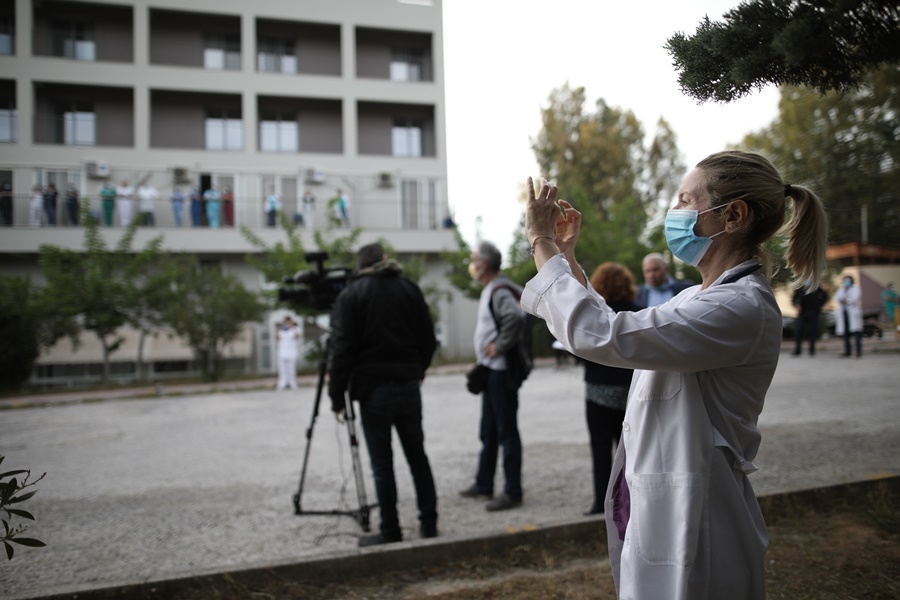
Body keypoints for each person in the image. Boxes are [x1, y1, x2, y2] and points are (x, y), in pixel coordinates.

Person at [522, 150, 828, 599]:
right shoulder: (695, 299)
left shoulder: (737, 307)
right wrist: (565, 255)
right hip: (667, 505)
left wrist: (540, 241)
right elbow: (615, 326)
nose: (674, 213)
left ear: (732, 216)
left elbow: (603, 334)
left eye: (686, 201)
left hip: (701, 517)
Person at [328, 243, 438, 547]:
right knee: (418, 456)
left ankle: (391, 531)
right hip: (407, 385)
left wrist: (336, 396)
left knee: (382, 463)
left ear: (361, 266)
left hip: (372, 390)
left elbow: (342, 350)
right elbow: (428, 339)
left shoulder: (351, 295)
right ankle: (428, 523)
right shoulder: (409, 289)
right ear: (385, 261)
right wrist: (417, 370)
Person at [459, 240, 525, 512]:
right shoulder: (491, 289)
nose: (472, 264)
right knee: (488, 431)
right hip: (490, 373)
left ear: (484, 264)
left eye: (474, 259)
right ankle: (484, 483)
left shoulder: (498, 289)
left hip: (500, 375)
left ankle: (512, 492)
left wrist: (498, 346)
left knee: (506, 433)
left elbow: (516, 318)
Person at [582, 262, 643, 517]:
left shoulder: (596, 316)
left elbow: (582, 352)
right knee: (631, 452)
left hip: (598, 391)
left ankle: (601, 503)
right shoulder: (639, 313)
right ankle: (633, 504)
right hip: (630, 392)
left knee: (600, 449)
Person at [791, 282, 828, 356]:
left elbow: (825, 296)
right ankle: (797, 350)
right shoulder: (799, 288)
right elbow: (794, 299)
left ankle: (812, 350)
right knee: (798, 331)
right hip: (802, 313)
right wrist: (797, 305)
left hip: (813, 312)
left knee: (812, 331)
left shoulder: (816, 287)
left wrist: (818, 306)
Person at [833, 275, 863, 358]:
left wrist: (845, 300)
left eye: (848, 281)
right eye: (845, 281)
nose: (846, 282)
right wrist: (843, 299)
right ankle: (847, 351)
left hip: (853, 313)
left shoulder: (856, 289)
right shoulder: (841, 290)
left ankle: (858, 351)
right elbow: (836, 297)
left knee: (856, 332)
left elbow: (854, 298)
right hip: (844, 313)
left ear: (851, 281)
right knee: (845, 333)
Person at [274, 316, 302, 391]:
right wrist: (279, 329)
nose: (287, 323)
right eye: (286, 322)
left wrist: (292, 327)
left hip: (292, 352)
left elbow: (298, 335)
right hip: (282, 353)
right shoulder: (281, 330)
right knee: (282, 370)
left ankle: (292, 384)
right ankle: (282, 384)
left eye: (289, 321)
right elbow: (276, 338)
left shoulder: (295, 329)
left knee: (291, 369)